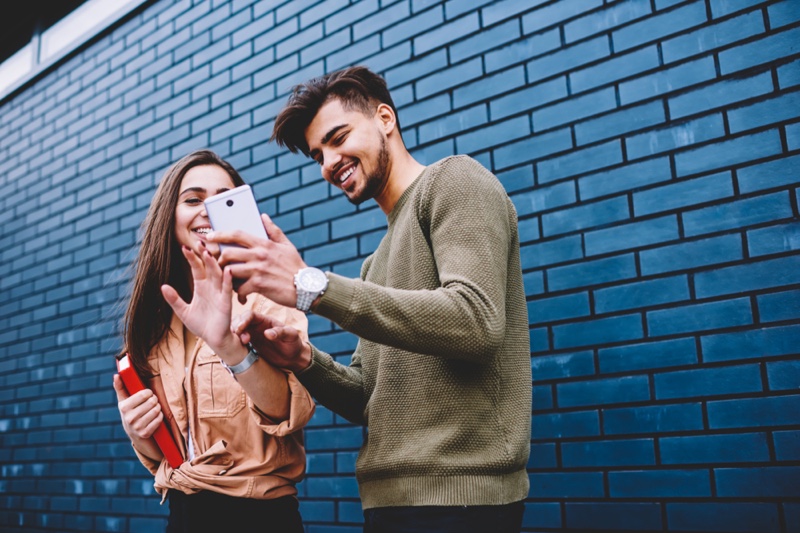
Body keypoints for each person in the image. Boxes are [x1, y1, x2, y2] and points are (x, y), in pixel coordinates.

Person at [210, 66, 531, 533]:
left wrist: (312, 287)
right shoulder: (374, 264)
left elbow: (476, 322)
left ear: (385, 118)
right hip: (387, 504)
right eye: (319, 154)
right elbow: (368, 396)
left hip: (464, 502)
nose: (329, 162)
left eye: (338, 138)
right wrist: (302, 360)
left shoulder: (455, 181)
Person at [112, 149, 314, 533]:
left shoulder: (266, 298)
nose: (207, 210)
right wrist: (140, 432)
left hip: (259, 517)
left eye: (223, 199)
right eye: (193, 199)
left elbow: (289, 410)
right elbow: (168, 454)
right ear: (169, 218)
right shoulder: (156, 320)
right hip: (182, 517)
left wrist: (227, 345)